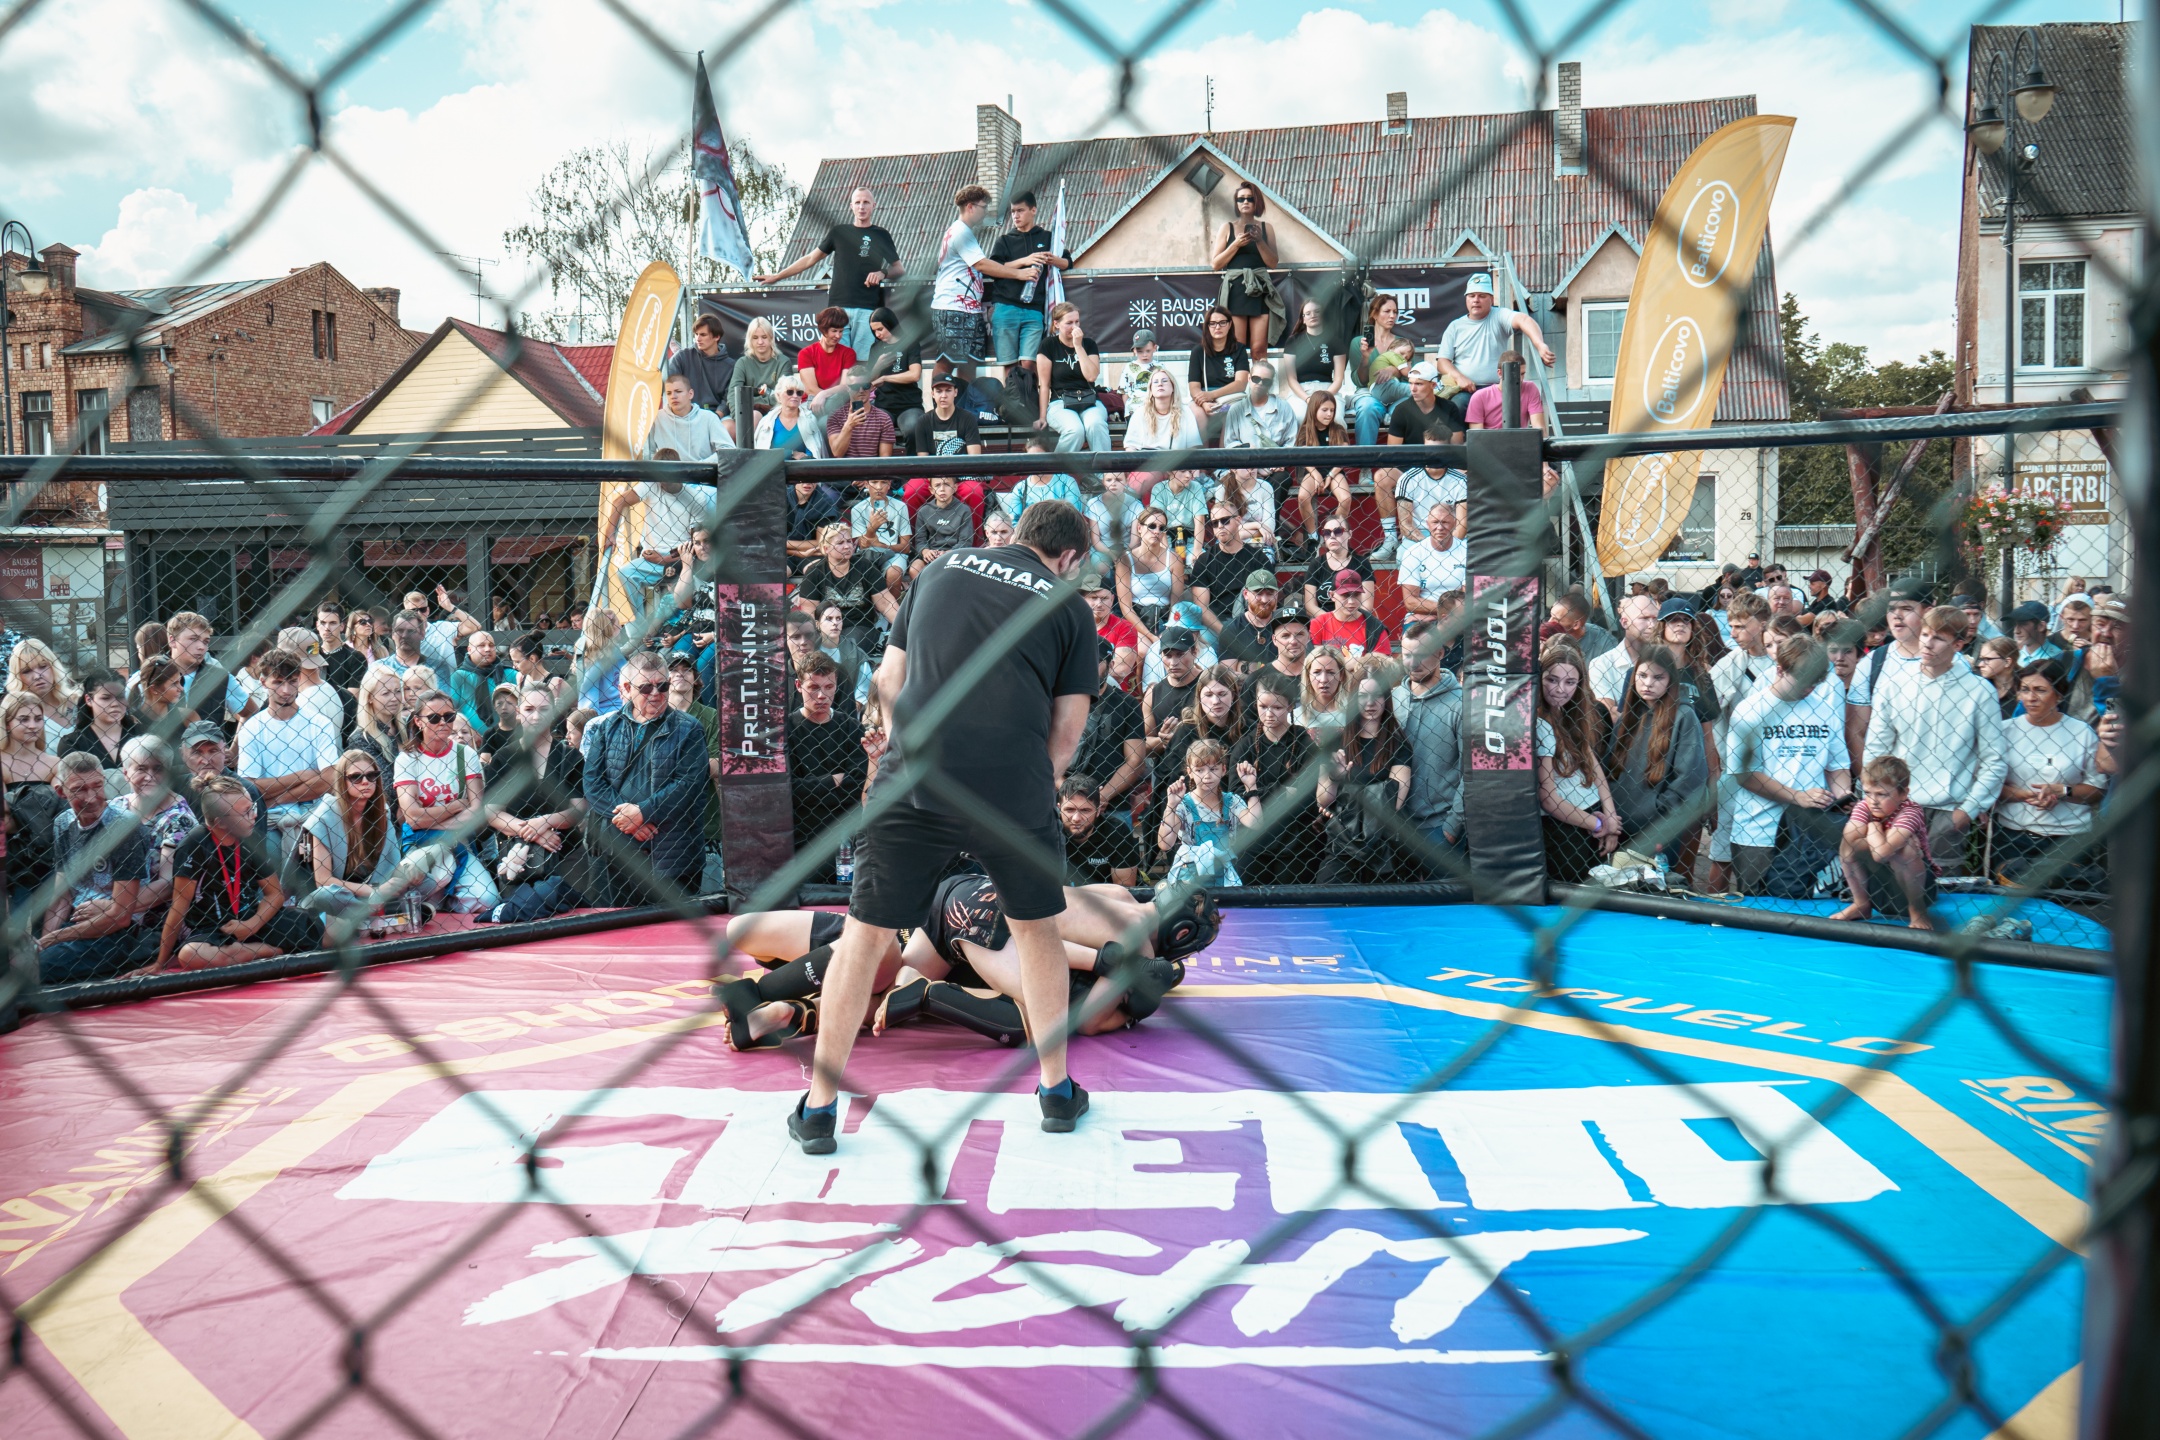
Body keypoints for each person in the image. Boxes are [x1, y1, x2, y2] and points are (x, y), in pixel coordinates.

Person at [795, 501, 1121, 1153]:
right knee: (1036, 931)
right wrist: (1030, 787)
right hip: (1011, 782)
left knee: (863, 936)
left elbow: (889, 677)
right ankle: (1056, 1091)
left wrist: (905, 752)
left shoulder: (941, 567)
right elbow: (1067, 733)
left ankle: (820, 1106)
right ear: (1070, 558)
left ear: (1019, 534)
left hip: (916, 773)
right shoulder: (1068, 606)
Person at [1859, 606, 2006, 877]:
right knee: (1893, 886)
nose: (1927, 643)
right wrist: (1874, 799)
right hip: (1898, 804)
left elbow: (1994, 759)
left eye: (1938, 638)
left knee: (1944, 888)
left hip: (1948, 810)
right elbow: (1876, 749)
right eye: (1925, 634)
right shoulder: (1894, 685)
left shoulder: (1980, 692)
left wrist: (1967, 810)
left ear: (1958, 644)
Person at [146, 776, 320, 972]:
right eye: (246, 812)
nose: (254, 815)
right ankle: (273, 951)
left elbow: (274, 894)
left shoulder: (251, 838)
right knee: (190, 955)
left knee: (331, 930)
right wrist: (159, 962)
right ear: (221, 823)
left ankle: (256, 950)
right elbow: (179, 907)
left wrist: (252, 925)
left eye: (252, 808)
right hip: (213, 929)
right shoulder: (194, 845)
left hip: (253, 918)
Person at [584, 651, 710, 901]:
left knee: (673, 923)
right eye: (645, 687)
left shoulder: (689, 728)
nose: (655, 694)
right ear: (627, 688)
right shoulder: (607, 727)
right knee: (614, 921)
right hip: (615, 850)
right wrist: (629, 818)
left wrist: (643, 812)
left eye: (662, 686)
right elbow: (592, 782)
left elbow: (689, 784)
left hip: (671, 852)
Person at [34, 752, 150, 983]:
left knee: (38, 968)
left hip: (115, 931)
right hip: (75, 922)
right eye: (79, 789)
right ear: (61, 792)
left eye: (97, 786)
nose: (91, 798)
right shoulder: (63, 823)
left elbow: (121, 916)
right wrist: (44, 944)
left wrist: (50, 941)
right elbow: (61, 894)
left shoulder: (124, 827)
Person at [754, 185, 902, 357]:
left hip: (867, 309)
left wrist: (882, 273)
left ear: (874, 205)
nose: (862, 207)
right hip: (838, 309)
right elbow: (810, 258)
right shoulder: (839, 232)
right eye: (858, 202)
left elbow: (899, 269)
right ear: (851, 206)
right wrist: (777, 276)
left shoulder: (882, 235)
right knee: (836, 360)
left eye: (866, 202)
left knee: (862, 363)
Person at [1992, 658, 2103, 886]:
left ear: (2059, 695)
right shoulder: (2005, 731)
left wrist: (2063, 791)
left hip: (2069, 838)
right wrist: (2023, 795)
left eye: (2040, 690)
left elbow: (2097, 789)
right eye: (2025, 690)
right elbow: (1989, 784)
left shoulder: (2081, 732)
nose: (2031, 698)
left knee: (2066, 903)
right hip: (2014, 836)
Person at [483, 683, 589, 909]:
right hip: (517, 856)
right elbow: (492, 812)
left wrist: (544, 822)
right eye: (529, 709)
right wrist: (533, 832)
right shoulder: (504, 757)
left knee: (573, 918)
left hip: (565, 852)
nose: (536, 716)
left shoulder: (570, 757)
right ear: (518, 712)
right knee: (519, 916)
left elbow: (578, 808)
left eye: (544, 709)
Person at [393, 689, 500, 914]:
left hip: (457, 842)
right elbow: (412, 818)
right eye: (434, 718)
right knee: (432, 876)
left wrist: (431, 819)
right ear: (418, 721)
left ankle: (441, 902)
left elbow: (476, 810)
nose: (443, 723)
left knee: (487, 899)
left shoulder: (465, 754)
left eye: (449, 717)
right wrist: (457, 806)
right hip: (421, 843)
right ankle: (438, 897)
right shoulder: (407, 759)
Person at [1602, 645, 1708, 865]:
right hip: (1617, 826)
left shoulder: (1684, 716)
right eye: (1642, 675)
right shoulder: (1628, 716)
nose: (1648, 683)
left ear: (1671, 680)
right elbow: (1609, 768)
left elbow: (1689, 780)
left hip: (1658, 831)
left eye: (1658, 677)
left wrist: (1657, 812)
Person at [234, 648, 340, 862]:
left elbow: (330, 779)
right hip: (271, 820)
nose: (286, 690)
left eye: (292, 681)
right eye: (278, 682)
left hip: (312, 813)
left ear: (299, 679)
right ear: (263, 682)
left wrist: (277, 798)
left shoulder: (319, 723)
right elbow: (250, 787)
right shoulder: (252, 728)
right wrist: (301, 776)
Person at [1314, 678, 1412, 883]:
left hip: (1383, 844)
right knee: (1326, 888)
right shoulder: (1335, 741)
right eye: (1362, 696)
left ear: (1386, 699)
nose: (1370, 702)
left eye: (1377, 695)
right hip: (1343, 841)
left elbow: (1394, 802)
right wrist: (1334, 779)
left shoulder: (1398, 744)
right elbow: (1323, 799)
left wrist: (1345, 797)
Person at [1537, 640, 1619, 883]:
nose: (1560, 689)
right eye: (1552, 679)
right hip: (1563, 829)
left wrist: (1610, 815)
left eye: (1570, 682)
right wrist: (1598, 824)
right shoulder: (1539, 723)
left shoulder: (1572, 714)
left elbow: (1593, 766)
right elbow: (1548, 799)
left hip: (1592, 816)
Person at [930, 184, 1038, 365]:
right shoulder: (961, 232)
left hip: (968, 308)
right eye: (984, 207)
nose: (986, 212)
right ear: (970, 207)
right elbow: (981, 264)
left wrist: (1019, 263)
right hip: (953, 306)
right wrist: (1019, 274)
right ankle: (939, 385)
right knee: (947, 363)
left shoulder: (962, 231)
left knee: (970, 363)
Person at [296, 749, 406, 928]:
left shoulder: (382, 812)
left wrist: (406, 877)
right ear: (342, 781)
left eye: (371, 775)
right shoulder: (324, 817)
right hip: (341, 895)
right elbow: (323, 880)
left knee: (425, 879)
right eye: (356, 777)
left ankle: (373, 916)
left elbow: (393, 865)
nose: (365, 782)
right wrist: (373, 892)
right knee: (327, 895)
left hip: (374, 890)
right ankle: (384, 915)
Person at [1232, 670, 1321, 884]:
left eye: (1277, 707)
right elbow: (1235, 796)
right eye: (1263, 706)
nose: (1269, 714)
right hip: (1253, 841)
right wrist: (1285, 792)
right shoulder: (1246, 745)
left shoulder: (1304, 744)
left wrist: (1256, 792)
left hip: (1296, 841)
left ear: (1290, 706)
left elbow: (1308, 799)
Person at [1374, 362, 1467, 563]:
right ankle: (1390, 538)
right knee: (1382, 476)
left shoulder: (1448, 408)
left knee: (1465, 472)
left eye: (1419, 384)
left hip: (1444, 465)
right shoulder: (1402, 410)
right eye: (1410, 383)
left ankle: (1461, 533)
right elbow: (1392, 452)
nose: (1413, 388)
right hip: (1410, 468)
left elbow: (1457, 446)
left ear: (1433, 385)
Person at [787, 654, 866, 884]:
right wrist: (833, 781)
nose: (822, 695)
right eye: (814, 687)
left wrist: (812, 788)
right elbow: (789, 790)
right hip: (804, 838)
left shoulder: (851, 727)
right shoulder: (786, 730)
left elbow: (858, 785)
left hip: (846, 835)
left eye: (829, 687)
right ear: (799, 685)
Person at [1832, 757, 1938, 929]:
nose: (1873, 800)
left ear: (1903, 794)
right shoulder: (1864, 806)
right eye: (1868, 793)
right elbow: (1849, 840)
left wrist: (1873, 827)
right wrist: (1878, 833)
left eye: (1882, 794)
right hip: (1876, 887)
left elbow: (1882, 854)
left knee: (1907, 848)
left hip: (1920, 888)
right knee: (1849, 847)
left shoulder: (1910, 811)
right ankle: (1861, 904)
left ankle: (1917, 912)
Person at [1393, 620, 1465, 870]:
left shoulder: (1461, 704)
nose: (1413, 663)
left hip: (1439, 827)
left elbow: (1471, 772)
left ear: (1440, 653)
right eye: (1407, 655)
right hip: (1394, 825)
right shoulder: (1393, 698)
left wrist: (1452, 826)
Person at [987, 190, 1072, 375]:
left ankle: (1030, 394)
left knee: (1029, 363)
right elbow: (993, 268)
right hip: (1005, 307)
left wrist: (1053, 260)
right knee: (1010, 366)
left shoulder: (1048, 238)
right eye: (1013, 211)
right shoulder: (1004, 240)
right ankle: (1012, 395)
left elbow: (1067, 262)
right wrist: (1024, 261)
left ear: (1033, 210)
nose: (1016, 216)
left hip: (1034, 309)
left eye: (1020, 210)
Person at [1158, 738, 1256, 885]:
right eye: (1199, 770)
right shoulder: (1184, 805)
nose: (1207, 776)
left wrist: (1251, 787)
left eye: (1213, 769)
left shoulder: (1231, 801)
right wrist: (1171, 805)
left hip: (1223, 874)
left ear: (1223, 770)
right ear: (1190, 772)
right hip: (1191, 877)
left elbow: (1255, 822)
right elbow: (1165, 844)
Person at [1069, 637, 1148, 815]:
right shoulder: (1060, 702)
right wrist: (1069, 795)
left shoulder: (1127, 704)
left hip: (1114, 806)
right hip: (1067, 806)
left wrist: (1103, 796)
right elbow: (1045, 757)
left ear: (1110, 665)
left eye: (1095, 662)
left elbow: (1136, 761)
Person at [796, 523, 905, 649]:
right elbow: (809, 611)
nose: (847, 546)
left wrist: (905, 629)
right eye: (840, 543)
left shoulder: (865, 566)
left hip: (859, 626)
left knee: (850, 644)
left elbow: (886, 604)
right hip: (827, 628)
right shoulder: (815, 572)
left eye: (849, 541)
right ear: (826, 549)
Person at [1212, 181, 1280, 358]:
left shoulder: (1266, 228)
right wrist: (1235, 245)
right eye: (1241, 199)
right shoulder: (1227, 227)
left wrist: (1259, 241)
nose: (1245, 202)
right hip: (1236, 288)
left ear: (1257, 202)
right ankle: (1240, 377)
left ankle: (1261, 376)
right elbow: (1216, 264)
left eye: (1250, 198)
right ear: (1236, 203)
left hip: (1260, 288)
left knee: (1259, 348)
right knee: (1238, 347)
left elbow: (1273, 263)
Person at [1034, 301, 1108, 453]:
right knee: (1075, 430)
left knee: (1096, 425)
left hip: (1089, 399)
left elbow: (1091, 376)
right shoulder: (1048, 345)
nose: (1075, 327)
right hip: (1060, 401)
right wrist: (1042, 416)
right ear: (1056, 324)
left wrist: (1078, 346)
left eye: (1077, 322)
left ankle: (1103, 468)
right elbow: (1044, 385)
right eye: (1069, 323)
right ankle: (1058, 468)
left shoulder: (1089, 344)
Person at [1288, 389, 1353, 557]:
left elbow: (1345, 456)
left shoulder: (1338, 429)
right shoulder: (1305, 430)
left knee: (1346, 498)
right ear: (1314, 409)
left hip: (1334, 471)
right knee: (1303, 496)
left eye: (1332, 410)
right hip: (1312, 470)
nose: (1329, 414)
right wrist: (1316, 475)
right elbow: (1303, 456)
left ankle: (1334, 533)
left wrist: (1330, 475)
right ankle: (1313, 537)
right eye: (1324, 410)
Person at [1184, 502, 1263, 634]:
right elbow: (1201, 607)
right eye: (1215, 523)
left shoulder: (1258, 558)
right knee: (1201, 641)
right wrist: (1225, 634)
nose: (1220, 526)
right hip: (1215, 625)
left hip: (1251, 623)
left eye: (1225, 520)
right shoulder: (1204, 561)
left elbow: (1266, 600)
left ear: (1238, 520)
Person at [1349, 294, 1416, 447]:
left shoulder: (1403, 343)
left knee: (1410, 406)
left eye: (1395, 312)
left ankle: (1403, 460)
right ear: (1374, 314)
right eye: (1387, 311)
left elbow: (1411, 375)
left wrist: (1392, 370)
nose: (1392, 316)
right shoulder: (1358, 342)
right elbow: (1360, 381)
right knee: (1367, 408)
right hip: (1370, 394)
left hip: (1396, 394)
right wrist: (1365, 358)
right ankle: (1365, 460)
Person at [1115, 506, 1185, 647]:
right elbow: (1126, 607)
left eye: (1162, 528)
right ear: (1139, 528)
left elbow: (1176, 603)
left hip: (1166, 619)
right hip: (1137, 619)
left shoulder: (1174, 559)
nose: (1157, 531)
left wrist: (1168, 629)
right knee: (1142, 650)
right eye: (1152, 526)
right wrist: (1151, 637)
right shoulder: (1125, 560)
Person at [1059, 773, 1141, 886]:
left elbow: (1124, 887)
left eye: (1085, 810)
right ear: (1059, 808)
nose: (1076, 818)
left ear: (1098, 811)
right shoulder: (1048, 831)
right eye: (1069, 810)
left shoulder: (1117, 831)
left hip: (1105, 897)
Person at [1589, 594, 1663, 713]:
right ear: (1624, 622)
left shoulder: (1668, 660)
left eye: (1655, 618)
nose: (1652, 625)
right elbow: (1608, 713)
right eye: (1644, 618)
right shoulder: (1601, 664)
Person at [1187, 305, 1251, 443]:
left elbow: (1241, 383)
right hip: (1204, 399)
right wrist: (1204, 402)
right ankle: (1203, 455)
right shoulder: (1198, 351)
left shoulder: (1239, 349)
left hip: (1230, 398)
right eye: (1213, 323)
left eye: (1222, 322)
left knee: (1231, 412)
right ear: (1207, 326)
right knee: (1197, 414)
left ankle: (1223, 454)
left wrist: (1212, 395)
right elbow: (1193, 387)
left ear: (1229, 324)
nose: (1217, 327)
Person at [639, 372, 735, 461]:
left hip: (703, 472)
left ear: (690, 394)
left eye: (678, 391)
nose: (673, 396)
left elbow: (728, 450)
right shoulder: (656, 418)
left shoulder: (709, 417)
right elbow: (648, 453)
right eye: (669, 393)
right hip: (668, 473)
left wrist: (702, 465)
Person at [8, 636, 81, 750]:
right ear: (17, 677)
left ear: (53, 667)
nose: (37, 676)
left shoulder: (81, 702)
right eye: (27, 671)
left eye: (43, 666)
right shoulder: (13, 716)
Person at [1398, 503, 1466, 621]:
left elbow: (1468, 599)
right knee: (1412, 633)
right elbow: (1410, 602)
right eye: (1435, 522)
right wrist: (1446, 611)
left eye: (1445, 522)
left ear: (1455, 524)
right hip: (1425, 615)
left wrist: (1437, 615)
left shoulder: (1467, 552)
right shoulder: (1413, 553)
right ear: (1427, 524)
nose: (1440, 527)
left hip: (1458, 618)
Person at [862, 307, 923, 439]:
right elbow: (869, 381)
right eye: (874, 331)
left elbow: (915, 375)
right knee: (873, 427)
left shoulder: (910, 343)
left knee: (912, 427)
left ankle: (912, 454)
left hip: (909, 405)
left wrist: (885, 378)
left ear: (890, 324)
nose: (877, 334)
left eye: (880, 329)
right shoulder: (875, 348)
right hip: (883, 405)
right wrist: (878, 366)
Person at [58, 670, 137, 770]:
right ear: (89, 700)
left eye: (120, 697)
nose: (115, 704)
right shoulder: (73, 743)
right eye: (106, 698)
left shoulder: (141, 734)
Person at [1308, 567, 1391, 661]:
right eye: (1345, 595)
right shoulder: (1318, 624)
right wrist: (1358, 662)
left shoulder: (1375, 627)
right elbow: (1315, 662)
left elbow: (1381, 663)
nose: (1351, 601)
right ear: (1332, 595)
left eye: (1356, 595)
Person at [1280, 299, 1345, 415]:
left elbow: (1338, 379)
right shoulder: (1293, 341)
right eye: (1308, 313)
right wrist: (1307, 399)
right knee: (1300, 416)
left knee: (1336, 418)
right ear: (1303, 319)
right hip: (1301, 392)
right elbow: (1291, 379)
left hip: (1328, 390)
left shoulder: (1336, 341)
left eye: (1317, 311)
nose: (1313, 315)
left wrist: (1325, 397)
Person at [730, 317, 792, 434]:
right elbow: (733, 394)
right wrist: (739, 417)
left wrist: (756, 403)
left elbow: (784, 395)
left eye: (764, 337)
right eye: (755, 338)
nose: (760, 342)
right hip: (745, 412)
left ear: (771, 338)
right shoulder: (742, 363)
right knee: (728, 428)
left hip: (776, 412)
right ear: (750, 340)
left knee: (755, 416)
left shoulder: (783, 362)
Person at [1301, 515, 1373, 617]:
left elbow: (1366, 605)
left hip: (1354, 621)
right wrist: (1332, 621)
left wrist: (1347, 621)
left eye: (1338, 531)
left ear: (1349, 534)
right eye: (1327, 533)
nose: (1332, 536)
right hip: (1324, 621)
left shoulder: (1362, 563)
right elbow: (1310, 605)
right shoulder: (1316, 564)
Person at [663, 312, 736, 412]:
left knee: (729, 422)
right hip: (686, 413)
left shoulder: (730, 366)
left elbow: (729, 398)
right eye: (696, 334)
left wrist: (717, 415)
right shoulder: (682, 357)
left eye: (703, 335)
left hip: (717, 416)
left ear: (717, 337)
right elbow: (668, 383)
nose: (698, 338)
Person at [1222, 359, 1297, 450]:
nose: (1260, 383)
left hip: (1278, 458)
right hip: (1246, 458)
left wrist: (1280, 458)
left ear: (1271, 383)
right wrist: (1245, 448)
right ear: (1249, 378)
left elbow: (1292, 442)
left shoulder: (1284, 407)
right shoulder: (1236, 410)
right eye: (1256, 379)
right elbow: (1230, 443)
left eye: (1266, 381)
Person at [1124, 368, 1203, 452]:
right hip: (1146, 458)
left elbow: (1193, 446)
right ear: (1151, 389)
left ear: (1173, 387)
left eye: (1164, 381)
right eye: (1155, 382)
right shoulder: (1140, 413)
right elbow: (1130, 446)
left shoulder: (1185, 412)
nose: (1160, 384)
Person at [1216, 570, 1284, 666]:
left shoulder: (1285, 624)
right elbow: (1228, 671)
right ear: (1245, 594)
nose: (1264, 600)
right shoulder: (1232, 628)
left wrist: (1244, 666)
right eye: (1258, 593)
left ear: (1276, 594)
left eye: (1270, 593)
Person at [754, 377, 831, 458]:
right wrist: (791, 454)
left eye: (799, 393)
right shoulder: (767, 422)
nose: (795, 396)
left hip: (802, 465)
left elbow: (814, 452)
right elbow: (763, 455)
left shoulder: (810, 419)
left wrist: (805, 457)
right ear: (779, 396)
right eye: (790, 392)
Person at [350, 666, 406, 776]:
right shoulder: (361, 739)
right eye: (386, 693)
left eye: (398, 691)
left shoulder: (409, 725)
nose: (394, 698)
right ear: (369, 697)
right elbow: (385, 781)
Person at [795, 308, 858, 404]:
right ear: (823, 330)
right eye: (834, 331)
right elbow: (810, 389)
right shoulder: (806, 353)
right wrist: (826, 399)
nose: (838, 336)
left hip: (839, 403)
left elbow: (845, 387)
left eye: (841, 331)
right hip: (813, 402)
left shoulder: (849, 353)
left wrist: (825, 395)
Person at [1297, 644, 1351, 735]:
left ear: (1341, 675)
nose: (1324, 680)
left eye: (1330, 672)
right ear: (1308, 675)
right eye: (1317, 672)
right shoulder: (1295, 717)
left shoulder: (1353, 714)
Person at [1975, 636, 2020, 718]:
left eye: (1987, 659)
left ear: (2007, 662)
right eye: (1981, 659)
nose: (1980, 664)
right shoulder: (1978, 684)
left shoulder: (2023, 688)